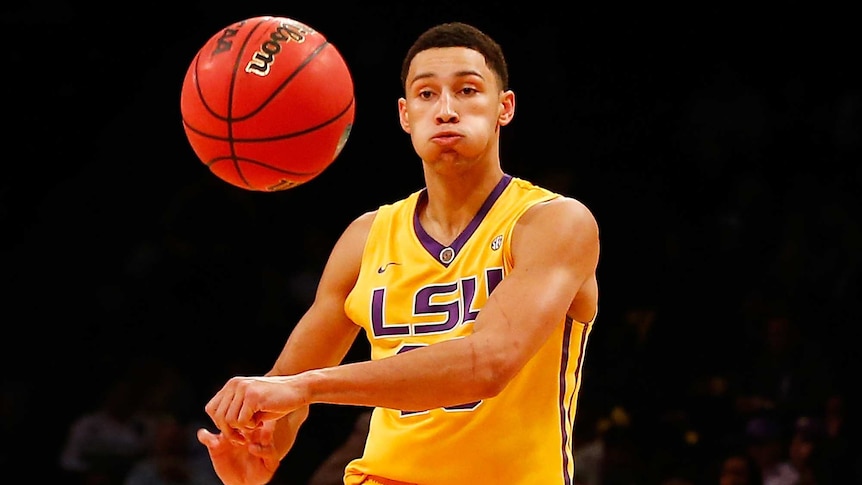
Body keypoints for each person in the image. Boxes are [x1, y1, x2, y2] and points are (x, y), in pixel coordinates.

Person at [196, 21, 601, 485]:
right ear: (405, 115)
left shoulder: (552, 222)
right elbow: (288, 381)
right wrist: (259, 442)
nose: (446, 109)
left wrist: (305, 387)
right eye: (427, 94)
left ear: (503, 108)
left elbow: (487, 364)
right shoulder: (366, 237)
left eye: (468, 90)